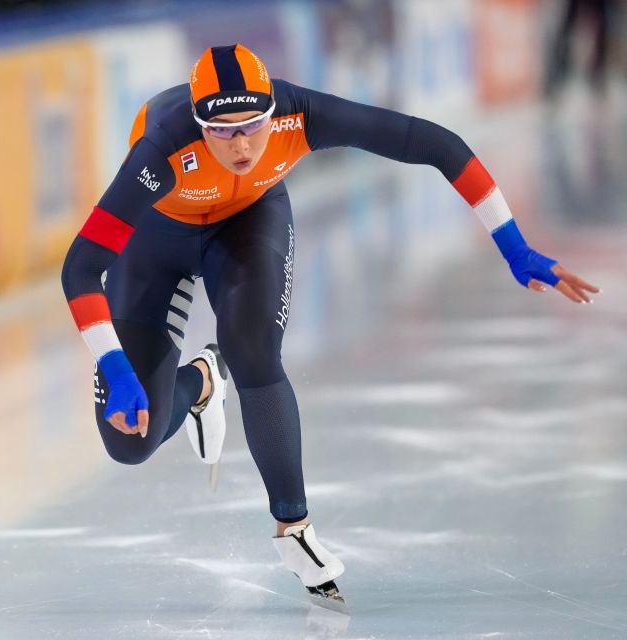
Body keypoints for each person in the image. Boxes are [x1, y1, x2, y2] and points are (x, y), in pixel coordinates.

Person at [60, 44, 600, 605]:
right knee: (130, 443)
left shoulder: (301, 113)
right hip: (155, 239)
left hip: (247, 224)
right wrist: (113, 363)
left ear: (272, 112)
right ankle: (201, 382)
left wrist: (513, 244)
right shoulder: (162, 147)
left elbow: (436, 144)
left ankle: (294, 529)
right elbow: (81, 268)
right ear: (198, 124)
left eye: (252, 125)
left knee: (254, 353)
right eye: (222, 131)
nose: (242, 144)